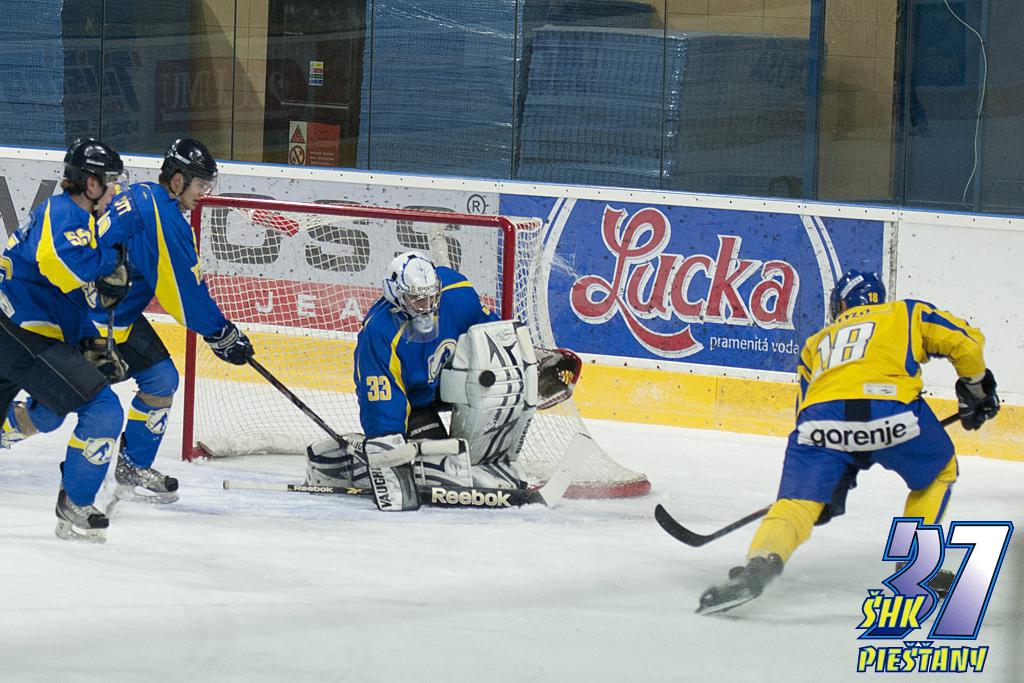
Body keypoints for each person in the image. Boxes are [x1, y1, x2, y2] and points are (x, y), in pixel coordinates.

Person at [698, 270, 1000, 614]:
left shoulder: (815, 343)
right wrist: (976, 390)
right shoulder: (905, 312)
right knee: (938, 473)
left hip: (819, 423)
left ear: (840, 304)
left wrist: (826, 483)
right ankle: (914, 570)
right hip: (893, 412)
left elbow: (803, 409)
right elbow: (966, 342)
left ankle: (759, 564)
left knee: (797, 503)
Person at [3, 138, 255, 515]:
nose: (204, 193)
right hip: (88, 320)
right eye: (201, 184)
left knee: (161, 379)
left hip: (116, 316)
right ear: (178, 180)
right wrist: (220, 332)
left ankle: (132, 464)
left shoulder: (145, 196)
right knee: (50, 412)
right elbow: (183, 292)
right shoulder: (163, 215)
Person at [304, 251, 580, 511]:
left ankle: (494, 465)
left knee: (491, 398)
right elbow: (383, 400)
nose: (426, 306)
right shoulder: (379, 332)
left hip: (451, 383)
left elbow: (490, 335)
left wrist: (523, 364)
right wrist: (386, 448)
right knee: (440, 466)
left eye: (430, 297)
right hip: (412, 402)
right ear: (396, 295)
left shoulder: (457, 292)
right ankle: (336, 462)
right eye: (417, 300)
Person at [0, 137, 136, 542]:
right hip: (20, 332)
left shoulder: (79, 219)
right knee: (102, 409)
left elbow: (68, 292)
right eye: (110, 181)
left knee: (51, 409)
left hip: (20, 329)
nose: (115, 190)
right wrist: (110, 262)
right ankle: (76, 501)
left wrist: (86, 340)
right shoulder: (63, 213)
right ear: (90, 183)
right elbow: (61, 267)